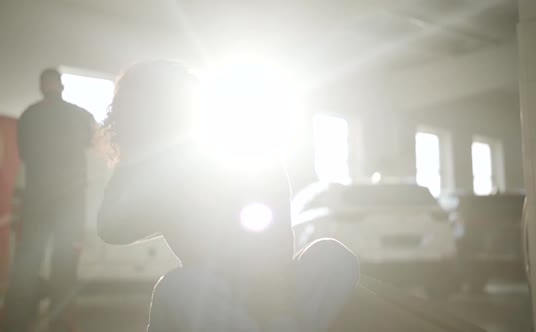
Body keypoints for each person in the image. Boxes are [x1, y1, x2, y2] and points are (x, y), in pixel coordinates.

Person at [97, 60, 359, 332]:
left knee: (331, 255)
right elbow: (110, 228)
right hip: (223, 299)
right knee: (182, 287)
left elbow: (275, 239)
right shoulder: (165, 176)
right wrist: (132, 156)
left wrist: (131, 152)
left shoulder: (244, 151)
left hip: (270, 292)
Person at [2, 68, 95, 332]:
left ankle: (15, 323)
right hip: (70, 201)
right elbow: (90, 143)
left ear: (42, 86)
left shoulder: (29, 116)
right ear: (61, 86)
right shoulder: (80, 115)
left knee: (27, 261)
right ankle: (60, 324)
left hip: (38, 198)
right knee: (65, 262)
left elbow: (23, 153)